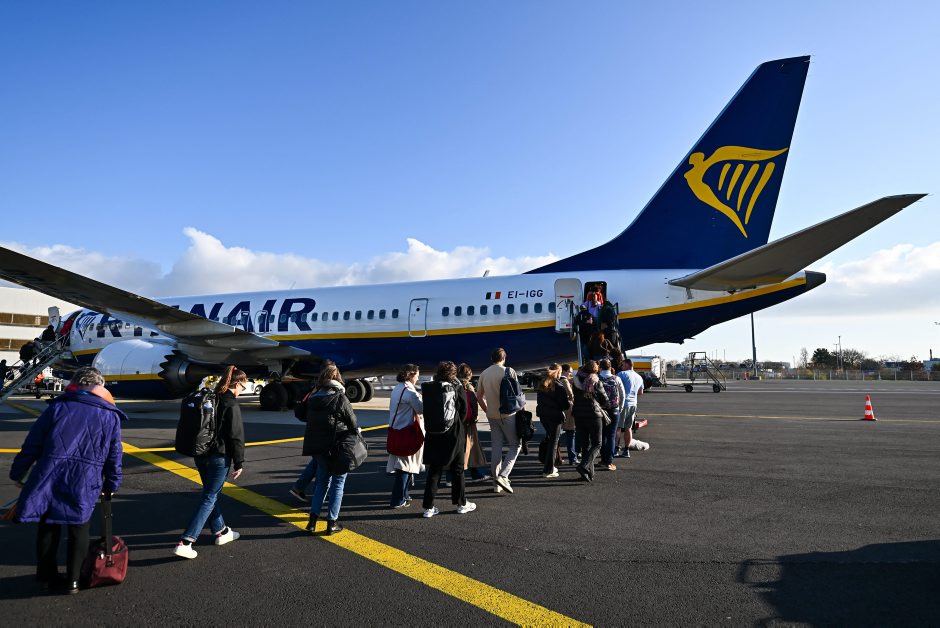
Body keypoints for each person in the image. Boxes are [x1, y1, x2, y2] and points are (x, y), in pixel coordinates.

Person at [9, 367, 123, 594]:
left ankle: (46, 576)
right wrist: (112, 483)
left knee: (48, 524)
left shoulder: (58, 407)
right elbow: (114, 455)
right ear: (99, 387)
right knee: (79, 526)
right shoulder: (110, 415)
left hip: (50, 474)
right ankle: (73, 580)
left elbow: (32, 444)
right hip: (85, 478)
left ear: (76, 384)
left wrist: (18, 473)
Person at [174, 365, 246, 559]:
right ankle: (186, 541)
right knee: (209, 497)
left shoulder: (210, 398)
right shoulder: (231, 404)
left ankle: (221, 531)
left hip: (201, 454)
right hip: (219, 457)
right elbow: (236, 436)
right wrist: (239, 462)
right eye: (243, 386)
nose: (242, 390)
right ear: (237, 384)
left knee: (209, 495)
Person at [301, 364, 360, 534]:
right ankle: (331, 522)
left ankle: (312, 521)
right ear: (338, 378)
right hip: (338, 446)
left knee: (321, 483)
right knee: (338, 484)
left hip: (319, 448)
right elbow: (353, 423)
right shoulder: (340, 398)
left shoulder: (313, 398)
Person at [421, 361, 475, 517]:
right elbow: (464, 410)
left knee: (434, 470)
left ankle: (428, 507)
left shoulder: (430, 387)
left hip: (433, 432)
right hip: (453, 433)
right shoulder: (456, 387)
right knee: (457, 470)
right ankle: (461, 503)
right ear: (453, 373)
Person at [477, 347, 523, 494]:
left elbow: (479, 396)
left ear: (492, 358)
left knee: (496, 447)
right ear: (504, 358)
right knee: (515, 445)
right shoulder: (509, 371)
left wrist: (487, 410)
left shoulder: (484, 373)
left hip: (492, 415)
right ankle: (503, 476)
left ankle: (496, 483)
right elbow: (517, 394)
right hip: (508, 414)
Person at [387, 363, 424, 509]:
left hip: (397, 430)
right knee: (405, 468)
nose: (418, 378)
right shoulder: (409, 392)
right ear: (411, 374)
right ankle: (398, 499)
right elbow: (420, 409)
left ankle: (404, 495)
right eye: (417, 376)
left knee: (405, 467)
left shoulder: (398, 388)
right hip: (407, 432)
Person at [571, 360, 609, 482]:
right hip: (593, 414)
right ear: (595, 369)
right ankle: (584, 466)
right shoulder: (595, 380)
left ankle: (588, 473)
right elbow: (604, 399)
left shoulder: (576, 381)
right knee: (597, 443)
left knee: (585, 444)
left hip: (578, 414)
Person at [536, 364, 571, 478]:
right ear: (558, 372)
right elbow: (564, 405)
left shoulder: (542, 384)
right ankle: (548, 469)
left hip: (543, 415)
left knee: (550, 440)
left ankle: (549, 465)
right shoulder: (559, 386)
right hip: (555, 417)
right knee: (554, 442)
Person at [457, 363, 490, 483]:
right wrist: (475, 417)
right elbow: (474, 407)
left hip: (456, 423)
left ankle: (450, 477)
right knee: (472, 449)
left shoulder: (453, 386)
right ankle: (477, 474)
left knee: (456, 449)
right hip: (468, 424)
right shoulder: (469, 388)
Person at [617, 358, 649, 455]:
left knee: (618, 428)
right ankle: (626, 450)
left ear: (627, 365)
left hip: (623, 404)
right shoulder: (639, 377)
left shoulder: (622, 374)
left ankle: (616, 449)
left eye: (622, 365)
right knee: (628, 428)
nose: (621, 367)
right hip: (633, 404)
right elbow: (640, 392)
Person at [598, 358, 625, 470]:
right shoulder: (616, 378)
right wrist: (620, 408)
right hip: (614, 410)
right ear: (610, 367)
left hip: (600, 410)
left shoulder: (597, 378)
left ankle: (603, 459)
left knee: (601, 435)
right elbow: (622, 395)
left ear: (600, 367)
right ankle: (609, 461)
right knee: (611, 435)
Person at [559, 363, 578, 465]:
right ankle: (572, 458)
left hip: (560, 409)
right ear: (564, 371)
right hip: (568, 409)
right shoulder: (565, 381)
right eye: (569, 372)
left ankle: (557, 456)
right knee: (571, 434)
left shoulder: (557, 380)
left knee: (559, 435)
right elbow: (571, 395)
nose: (570, 374)